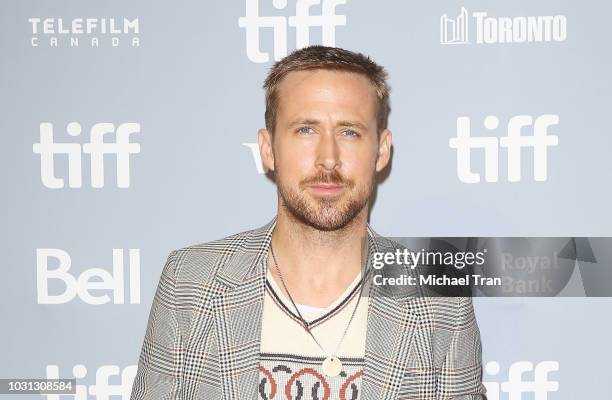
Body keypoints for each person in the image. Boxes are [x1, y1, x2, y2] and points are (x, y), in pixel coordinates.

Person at [130, 45, 487, 400]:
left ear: (381, 150)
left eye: (349, 132)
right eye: (305, 130)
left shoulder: (439, 296)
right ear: (268, 149)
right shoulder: (190, 282)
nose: (327, 158)